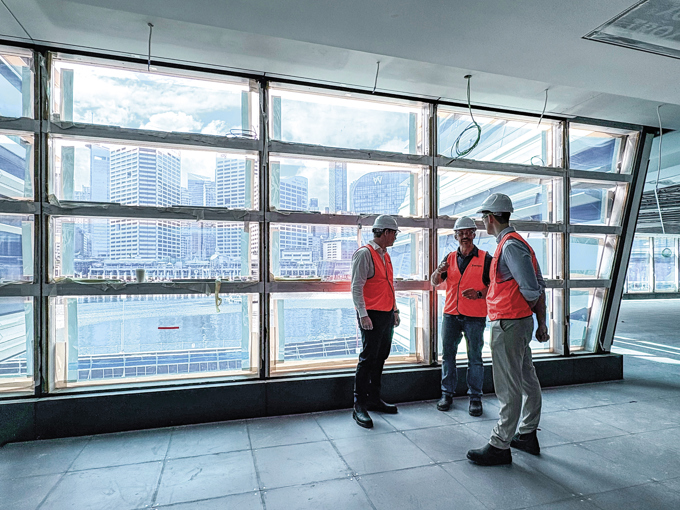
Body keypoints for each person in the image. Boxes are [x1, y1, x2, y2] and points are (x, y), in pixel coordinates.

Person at [467, 193, 550, 466]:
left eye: (483, 218)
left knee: (508, 386)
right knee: (527, 379)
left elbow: (530, 288)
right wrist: (539, 321)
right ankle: (526, 434)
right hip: (517, 321)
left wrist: (523, 312)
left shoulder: (510, 246)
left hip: (509, 324)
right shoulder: (514, 244)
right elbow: (533, 285)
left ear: (490, 217)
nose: (482, 222)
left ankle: (500, 444)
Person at [431, 216, 492, 417]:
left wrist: (479, 294)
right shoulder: (448, 258)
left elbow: (495, 286)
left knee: (475, 357)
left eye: (468, 232)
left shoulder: (485, 258)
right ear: (455, 235)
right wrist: (438, 272)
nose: (465, 236)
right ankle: (446, 394)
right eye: (461, 232)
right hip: (450, 315)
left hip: (475, 316)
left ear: (474, 234)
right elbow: (434, 281)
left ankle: (475, 397)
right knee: (448, 356)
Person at [351, 215, 401, 428]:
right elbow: (356, 287)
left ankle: (373, 398)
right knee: (368, 358)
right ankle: (359, 405)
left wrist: (395, 310)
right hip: (371, 314)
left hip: (386, 314)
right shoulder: (365, 254)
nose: (395, 238)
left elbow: (388, 285)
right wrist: (363, 315)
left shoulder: (385, 255)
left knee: (381, 356)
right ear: (386, 232)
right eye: (394, 234)